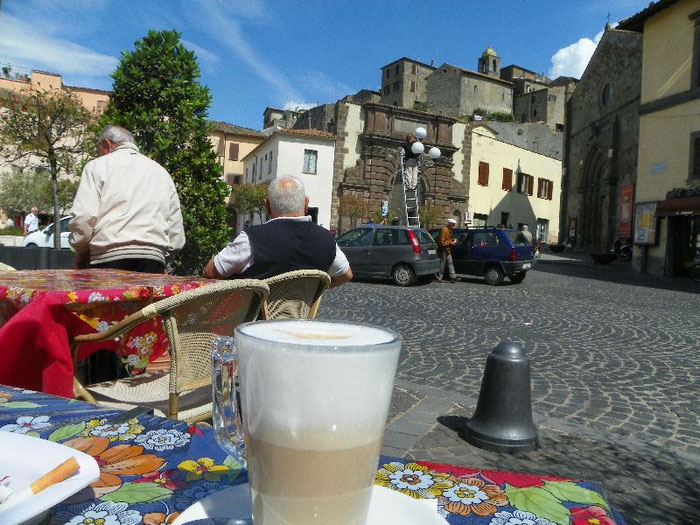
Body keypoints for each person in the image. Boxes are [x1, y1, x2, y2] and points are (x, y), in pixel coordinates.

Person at [69, 125, 185, 273]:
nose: (99, 155)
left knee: (111, 297)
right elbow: (175, 228)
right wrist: (165, 259)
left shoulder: (96, 167)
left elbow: (84, 216)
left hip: (106, 257)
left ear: (107, 144)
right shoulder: (161, 172)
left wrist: (81, 252)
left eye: (99, 151)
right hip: (152, 259)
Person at [204, 175, 353, 288]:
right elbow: (346, 274)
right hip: (300, 323)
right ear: (306, 203)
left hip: (255, 324)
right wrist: (316, 290)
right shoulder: (327, 240)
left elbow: (210, 272)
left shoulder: (252, 239)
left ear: (267, 206)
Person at [437, 218, 458, 282]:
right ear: (450, 224)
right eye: (453, 224)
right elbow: (442, 242)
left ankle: (453, 277)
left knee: (450, 263)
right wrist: (451, 242)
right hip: (444, 249)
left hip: (447, 249)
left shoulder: (449, 230)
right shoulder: (445, 230)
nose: (454, 225)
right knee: (443, 263)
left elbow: (447, 240)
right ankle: (440, 277)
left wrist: (452, 240)